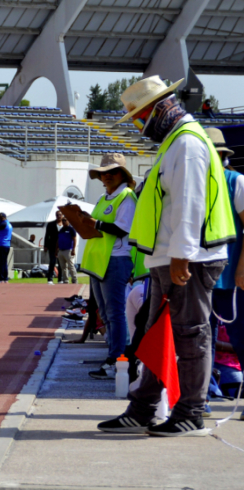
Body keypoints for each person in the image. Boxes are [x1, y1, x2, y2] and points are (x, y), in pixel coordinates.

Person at [98, 75, 236, 437]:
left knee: (190, 334)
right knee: (157, 334)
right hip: (170, 257)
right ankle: (143, 408)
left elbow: (188, 204)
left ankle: (190, 410)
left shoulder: (187, 144)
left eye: (141, 119)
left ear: (159, 109)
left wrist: (181, 256)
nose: (141, 128)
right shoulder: (176, 142)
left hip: (188, 258)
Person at [79, 153, 137, 380]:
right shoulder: (105, 198)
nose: (107, 176)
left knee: (115, 313)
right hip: (99, 260)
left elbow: (123, 229)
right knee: (105, 313)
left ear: (122, 174)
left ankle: (117, 359)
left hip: (116, 259)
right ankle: (113, 357)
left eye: (112, 172)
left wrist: (94, 222)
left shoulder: (126, 196)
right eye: (104, 173)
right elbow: (99, 227)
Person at [206, 127, 244, 410]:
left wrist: (242, 267)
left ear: (221, 155)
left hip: (233, 278)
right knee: (199, 339)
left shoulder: (236, 181)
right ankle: (200, 396)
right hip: (199, 276)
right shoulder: (194, 186)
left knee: (241, 336)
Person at [57, 217, 78, 284]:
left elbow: (74, 239)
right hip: (61, 250)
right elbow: (58, 240)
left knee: (71, 266)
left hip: (68, 250)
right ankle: (65, 280)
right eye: (62, 220)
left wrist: (73, 249)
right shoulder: (61, 230)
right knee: (63, 267)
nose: (63, 221)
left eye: (65, 220)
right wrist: (56, 249)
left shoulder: (71, 229)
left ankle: (74, 280)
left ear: (68, 221)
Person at [44, 210, 62, 284]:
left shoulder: (65, 224)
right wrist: (45, 245)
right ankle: (50, 279)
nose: (59, 216)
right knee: (52, 262)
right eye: (57, 215)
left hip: (61, 246)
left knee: (61, 263)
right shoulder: (50, 224)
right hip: (52, 246)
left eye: (60, 214)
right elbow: (47, 235)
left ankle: (60, 279)